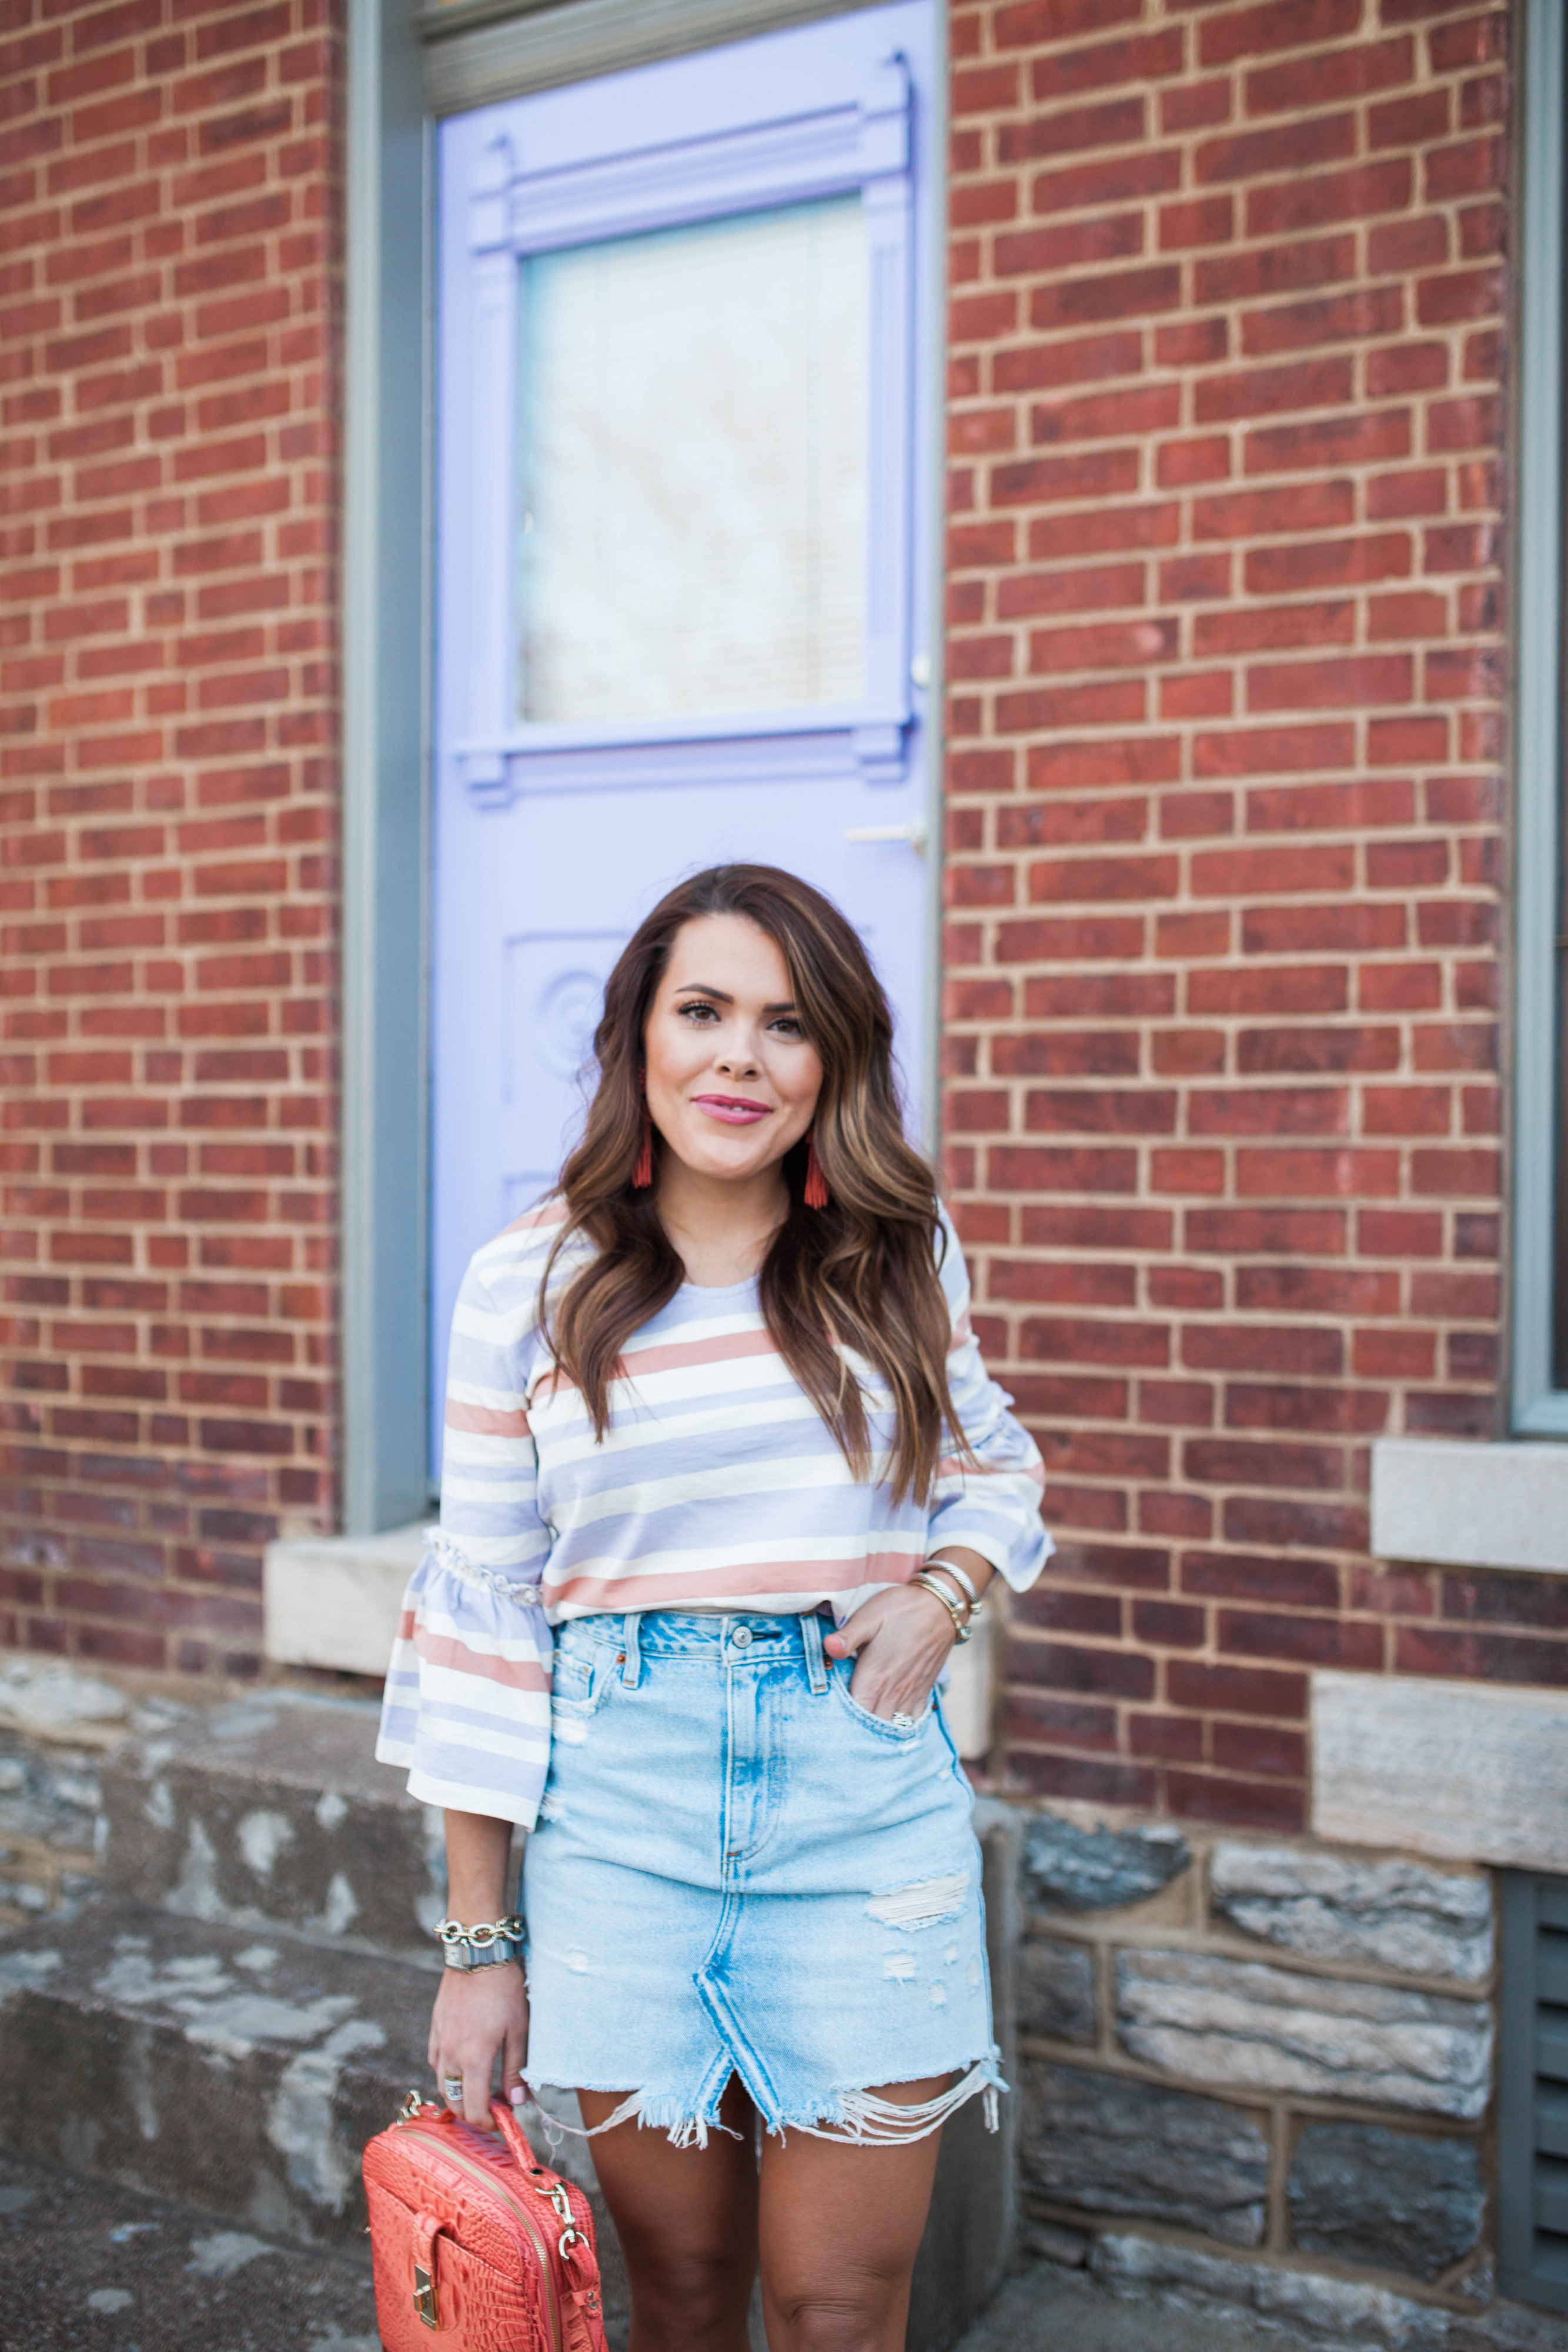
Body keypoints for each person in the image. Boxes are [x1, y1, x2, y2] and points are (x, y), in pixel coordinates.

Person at [377, 863, 1049, 2352]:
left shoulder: (894, 1252)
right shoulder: (526, 1283)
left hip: (862, 1811)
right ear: (637, 1036)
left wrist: (945, 1589)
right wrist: (480, 1950)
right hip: (622, 1816)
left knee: (834, 2306)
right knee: (680, 2296)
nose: (741, 1056)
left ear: (832, 1064)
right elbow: (484, 1620)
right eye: (704, 1010)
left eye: (787, 1024)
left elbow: (996, 1466)